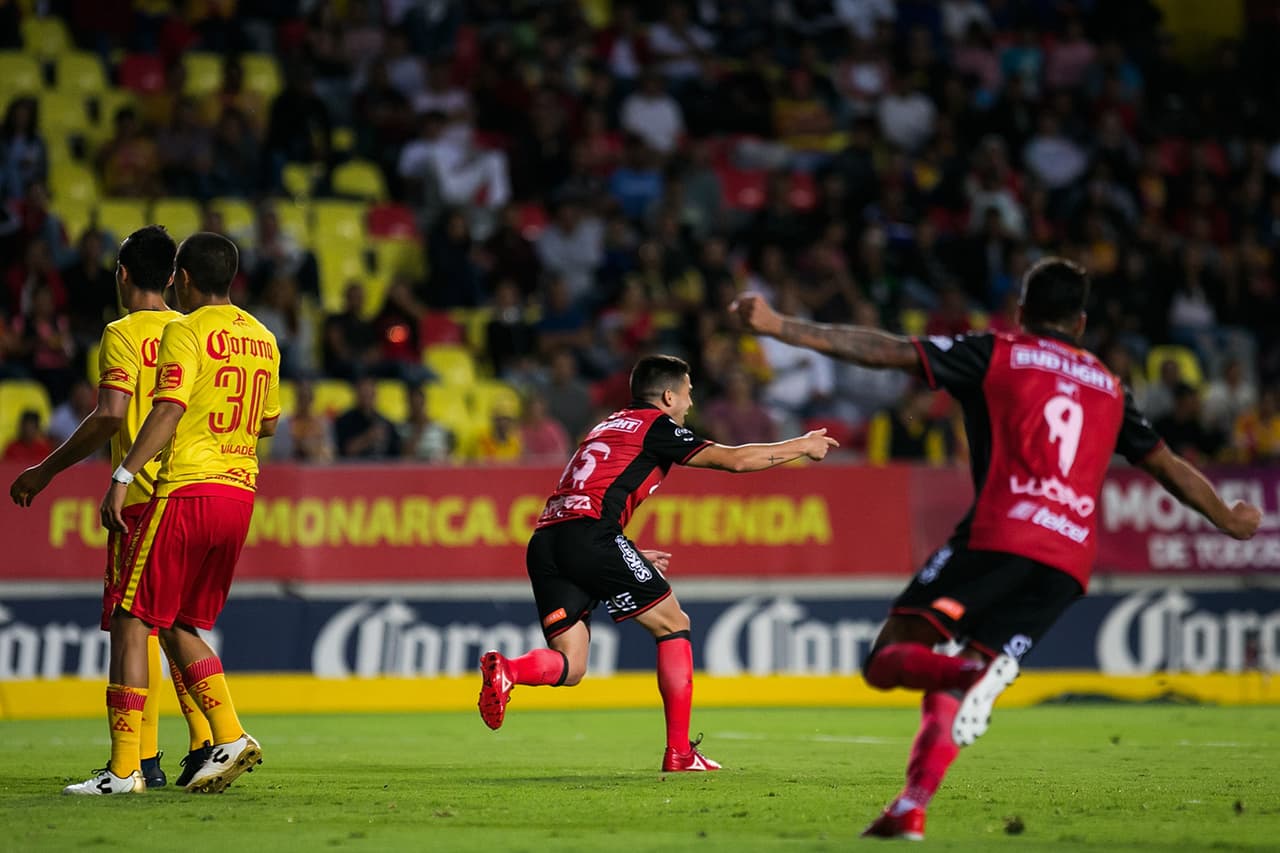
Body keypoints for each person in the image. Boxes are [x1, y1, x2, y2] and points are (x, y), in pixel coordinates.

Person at [733, 257, 1263, 840]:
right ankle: (912, 805)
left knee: (888, 660)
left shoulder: (999, 354)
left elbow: (886, 350)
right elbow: (1167, 466)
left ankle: (967, 675)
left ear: (1022, 312)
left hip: (1000, 536)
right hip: (1067, 564)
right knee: (950, 672)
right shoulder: (1110, 387)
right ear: (1080, 323)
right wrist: (1229, 518)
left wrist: (782, 327)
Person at [476, 355, 838, 770]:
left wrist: (619, 552)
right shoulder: (656, 426)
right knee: (674, 624)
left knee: (571, 665)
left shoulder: (605, 425)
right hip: (592, 537)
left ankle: (509, 670)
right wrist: (802, 445)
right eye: (687, 394)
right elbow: (733, 461)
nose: (689, 404)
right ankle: (680, 752)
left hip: (547, 539)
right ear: (668, 395)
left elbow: (592, 492)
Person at [10, 226, 217, 792]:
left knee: (132, 627)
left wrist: (45, 470)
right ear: (173, 278)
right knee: (174, 623)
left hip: (144, 496)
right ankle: (202, 744)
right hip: (194, 490)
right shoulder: (193, 329)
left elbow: (108, 415)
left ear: (122, 274)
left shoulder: (122, 332)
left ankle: (136, 761)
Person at [94, 232, 281, 796]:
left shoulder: (185, 329)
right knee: (177, 621)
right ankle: (225, 735)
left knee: (133, 618)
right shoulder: (264, 337)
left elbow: (170, 407)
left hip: (189, 488)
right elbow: (268, 422)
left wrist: (124, 475)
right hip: (241, 491)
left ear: (182, 278)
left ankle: (126, 770)